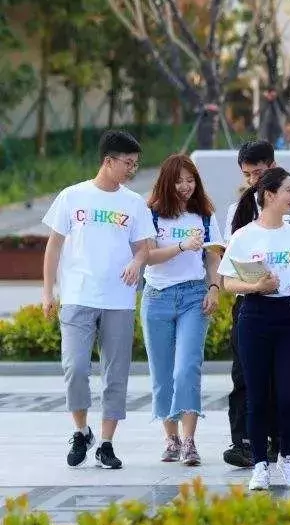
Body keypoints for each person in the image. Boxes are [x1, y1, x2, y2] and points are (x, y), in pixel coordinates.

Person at [41, 130, 155, 469]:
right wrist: (48, 291)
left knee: (115, 373)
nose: (132, 170)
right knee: (74, 367)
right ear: (108, 161)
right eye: (128, 163)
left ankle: (106, 442)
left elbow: (144, 249)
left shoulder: (133, 203)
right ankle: (81, 431)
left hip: (119, 299)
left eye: (136, 164)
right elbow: (54, 246)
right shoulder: (72, 197)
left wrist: (137, 263)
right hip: (77, 295)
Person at [219, 167, 290, 491]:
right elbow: (226, 281)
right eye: (289, 190)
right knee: (257, 394)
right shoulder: (244, 236)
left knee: (289, 395)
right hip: (254, 317)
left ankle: (287, 456)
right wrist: (256, 286)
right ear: (270, 195)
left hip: (289, 316)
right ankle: (260, 464)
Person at [141, 154, 225, 466]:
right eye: (179, 181)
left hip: (194, 295)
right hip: (157, 297)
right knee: (162, 373)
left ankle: (190, 441)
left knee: (187, 367)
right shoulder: (150, 214)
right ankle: (171, 438)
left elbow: (214, 254)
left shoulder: (203, 214)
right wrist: (181, 246)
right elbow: (146, 256)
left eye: (191, 181)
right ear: (166, 181)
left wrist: (214, 287)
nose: (186, 187)